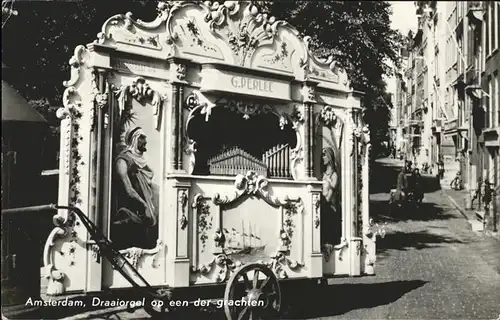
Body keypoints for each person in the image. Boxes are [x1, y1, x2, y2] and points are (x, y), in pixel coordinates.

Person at [113, 127, 158, 249]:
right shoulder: (123, 160)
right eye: (142, 138)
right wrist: (144, 205)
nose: (145, 141)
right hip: (128, 213)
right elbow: (128, 190)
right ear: (135, 140)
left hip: (142, 215)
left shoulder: (142, 164)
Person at [321, 147, 341, 246]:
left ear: (329, 157)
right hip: (323, 207)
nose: (322, 158)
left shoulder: (334, 175)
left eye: (324, 155)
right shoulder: (323, 174)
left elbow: (329, 197)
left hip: (330, 209)